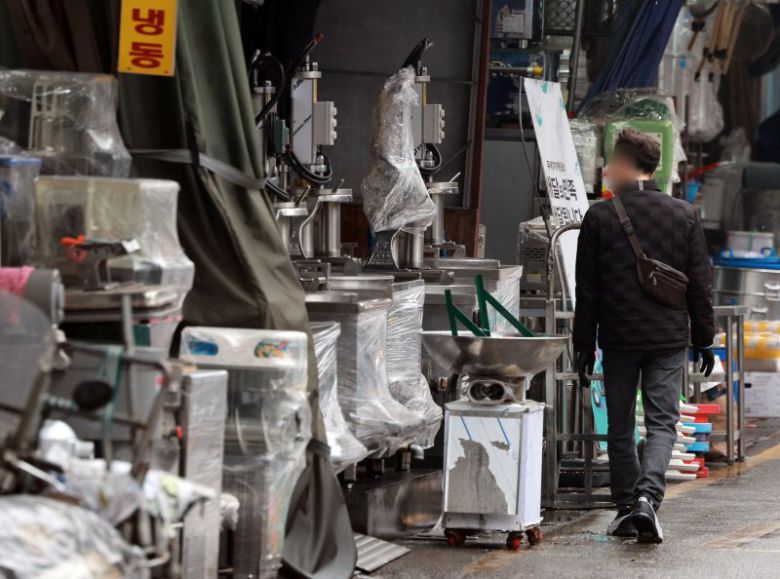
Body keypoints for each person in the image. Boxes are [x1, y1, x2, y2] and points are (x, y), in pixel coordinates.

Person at [572, 129, 715, 544]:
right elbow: (699, 285)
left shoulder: (599, 216)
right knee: (661, 423)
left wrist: (584, 344)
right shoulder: (684, 215)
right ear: (656, 167)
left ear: (621, 163)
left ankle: (625, 507)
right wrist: (703, 338)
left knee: (620, 426)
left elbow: (589, 291)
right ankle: (647, 500)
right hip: (668, 337)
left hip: (618, 338)